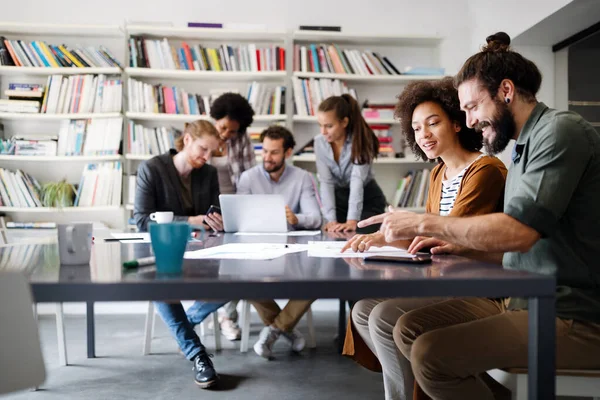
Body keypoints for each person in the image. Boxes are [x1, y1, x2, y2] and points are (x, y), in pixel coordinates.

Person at [359, 32, 600, 400]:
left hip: (573, 315)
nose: (469, 121)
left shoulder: (559, 131)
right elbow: (518, 250)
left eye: (471, 107)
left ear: (506, 90)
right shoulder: (523, 147)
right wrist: (457, 246)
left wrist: (420, 223)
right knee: (405, 328)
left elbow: (519, 233)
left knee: (430, 354)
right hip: (521, 298)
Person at [340, 78, 507, 400]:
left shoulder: (484, 169)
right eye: (416, 129)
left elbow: (447, 231)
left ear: (457, 123)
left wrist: (399, 231)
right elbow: (429, 239)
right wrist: (381, 239)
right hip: (447, 278)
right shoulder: (437, 173)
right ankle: (414, 390)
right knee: (362, 310)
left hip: (480, 287)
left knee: (384, 315)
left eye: (433, 123)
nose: (424, 135)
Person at [134, 120, 227, 389]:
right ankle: (197, 355)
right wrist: (191, 220)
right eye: (203, 149)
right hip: (162, 251)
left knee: (239, 279)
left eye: (212, 152)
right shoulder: (151, 168)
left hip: (201, 251)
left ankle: (188, 321)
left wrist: (216, 219)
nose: (207, 157)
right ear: (186, 140)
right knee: (162, 288)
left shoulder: (207, 173)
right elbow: (141, 220)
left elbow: (211, 213)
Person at [237, 125, 321, 358]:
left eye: (274, 152)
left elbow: (316, 218)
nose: (267, 157)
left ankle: (274, 330)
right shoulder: (248, 178)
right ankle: (286, 330)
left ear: (288, 152)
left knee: (316, 281)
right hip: (256, 249)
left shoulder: (302, 178)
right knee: (245, 281)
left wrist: (297, 218)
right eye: (264, 151)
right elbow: (238, 218)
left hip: (292, 249)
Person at [209, 92, 256, 341]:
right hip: (204, 207)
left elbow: (248, 177)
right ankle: (206, 309)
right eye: (223, 127)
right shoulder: (202, 136)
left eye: (233, 131)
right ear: (215, 119)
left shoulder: (242, 140)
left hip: (234, 206)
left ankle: (227, 316)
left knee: (236, 262)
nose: (227, 134)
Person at [315, 94, 387, 234]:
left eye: (329, 126)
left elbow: (357, 181)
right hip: (339, 201)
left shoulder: (361, 140)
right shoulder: (319, 142)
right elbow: (326, 182)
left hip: (367, 199)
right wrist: (331, 219)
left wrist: (352, 220)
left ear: (344, 122)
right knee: (334, 234)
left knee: (360, 235)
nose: (323, 132)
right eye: (320, 125)